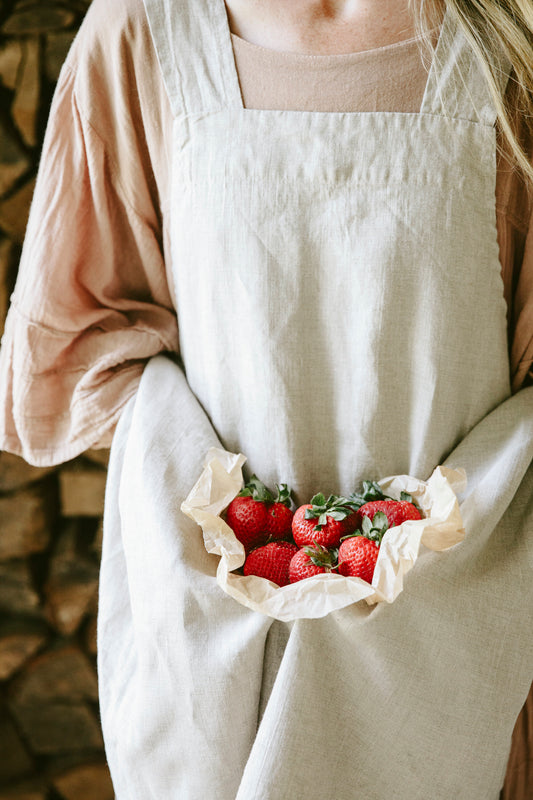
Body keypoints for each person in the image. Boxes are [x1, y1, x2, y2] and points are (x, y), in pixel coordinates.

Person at [0, 0, 532, 797]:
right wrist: (229, 526)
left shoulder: (510, 42)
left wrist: (419, 547)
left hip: (447, 636)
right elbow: (70, 352)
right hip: (218, 639)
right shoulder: (146, 30)